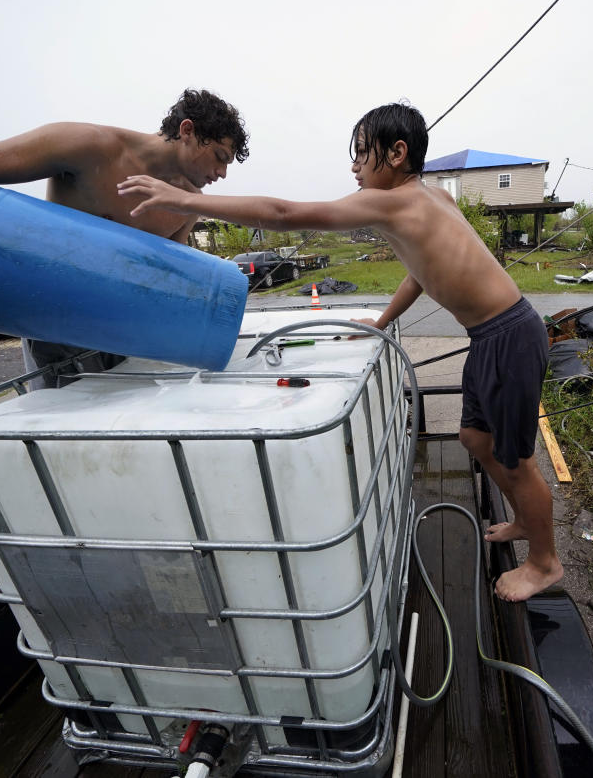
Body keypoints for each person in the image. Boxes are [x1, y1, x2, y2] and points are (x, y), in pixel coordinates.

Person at [117, 101, 562, 602]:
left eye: (360, 154)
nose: (353, 167)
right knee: (475, 439)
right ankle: (526, 520)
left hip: (507, 337)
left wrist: (189, 202)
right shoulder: (433, 199)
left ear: (396, 153)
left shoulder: (394, 203)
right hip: (492, 336)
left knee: (517, 459)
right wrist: (382, 321)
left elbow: (285, 214)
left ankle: (545, 563)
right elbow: (423, 269)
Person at [0, 88, 250, 386]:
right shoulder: (88, 145)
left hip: (129, 338)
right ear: (187, 130)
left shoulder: (187, 202)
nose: (221, 172)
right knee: (62, 440)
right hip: (55, 334)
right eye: (219, 156)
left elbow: (171, 278)